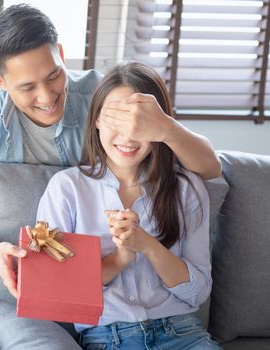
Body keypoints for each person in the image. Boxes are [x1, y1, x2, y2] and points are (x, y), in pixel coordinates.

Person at [0, 5, 221, 349]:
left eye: (54, 75)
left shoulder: (103, 95)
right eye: (27, 87)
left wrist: (165, 127)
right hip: (46, 281)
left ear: (62, 55)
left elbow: (209, 168)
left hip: (167, 320)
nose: (47, 96)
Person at [36, 61, 221, 349]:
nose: (127, 135)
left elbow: (198, 293)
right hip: (107, 338)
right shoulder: (67, 189)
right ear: (96, 119)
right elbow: (57, 290)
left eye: (138, 122)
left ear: (158, 127)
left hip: (183, 334)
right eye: (115, 118)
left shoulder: (186, 188)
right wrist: (121, 257)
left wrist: (147, 245)